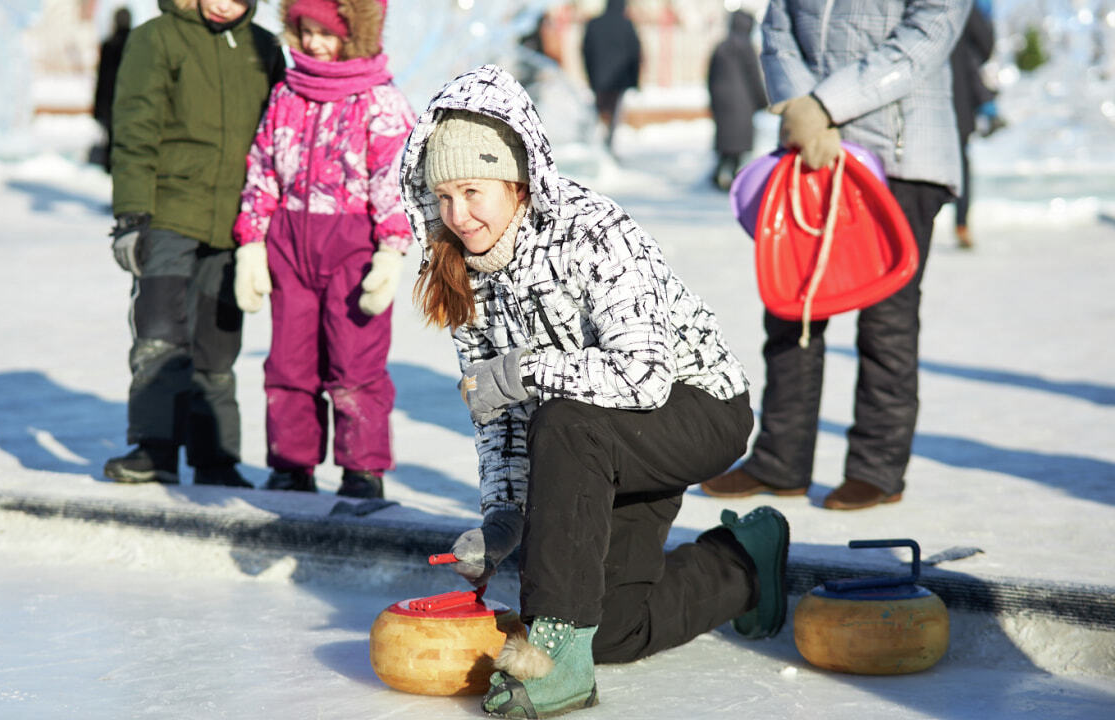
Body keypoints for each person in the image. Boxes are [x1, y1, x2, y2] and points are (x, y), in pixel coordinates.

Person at [401, 64, 789, 718]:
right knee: (612, 631)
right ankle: (745, 563)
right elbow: (497, 417)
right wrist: (502, 519)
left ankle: (552, 656)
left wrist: (526, 370)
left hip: (695, 408)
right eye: (443, 197)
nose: (458, 215)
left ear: (517, 181)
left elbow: (643, 374)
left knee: (564, 421)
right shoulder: (462, 270)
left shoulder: (592, 231)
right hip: (601, 439)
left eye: (472, 191)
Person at [702, 0, 972, 510]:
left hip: (899, 156)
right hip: (813, 149)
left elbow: (930, 32)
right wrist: (803, 108)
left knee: (886, 323)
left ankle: (877, 469)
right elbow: (778, 26)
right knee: (792, 307)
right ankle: (780, 460)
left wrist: (826, 105)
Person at [234, 0, 414, 499]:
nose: (312, 42)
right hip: (289, 242)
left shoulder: (380, 100)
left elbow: (396, 178)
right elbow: (263, 167)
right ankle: (292, 465)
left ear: (353, 35)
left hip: (353, 245)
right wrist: (251, 242)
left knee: (356, 363)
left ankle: (362, 470)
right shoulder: (288, 92)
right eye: (304, 29)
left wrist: (391, 251)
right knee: (288, 362)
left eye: (325, 32)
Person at [103, 0, 285, 488]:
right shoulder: (156, 39)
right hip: (168, 212)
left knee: (219, 344)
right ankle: (154, 449)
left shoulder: (263, 47)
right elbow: (135, 128)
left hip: (234, 224)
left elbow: (278, 138)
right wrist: (132, 213)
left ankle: (216, 458)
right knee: (160, 329)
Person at [951, 1, 996, 249]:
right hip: (959, 94)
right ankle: (961, 225)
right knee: (960, 164)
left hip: (929, 96)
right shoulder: (964, 7)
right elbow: (986, 44)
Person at [707, 9, 768, 191]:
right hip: (742, 103)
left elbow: (709, 76)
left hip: (722, 102)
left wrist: (713, 98)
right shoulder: (745, 47)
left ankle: (720, 175)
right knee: (738, 144)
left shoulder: (721, 45)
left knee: (726, 141)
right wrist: (762, 101)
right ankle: (730, 177)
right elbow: (753, 78)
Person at [580, 0, 642, 151]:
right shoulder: (626, 25)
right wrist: (634, 80)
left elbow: (586, 51)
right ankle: (607, 146)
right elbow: (635, 53)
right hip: (619, 80)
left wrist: (590, 75)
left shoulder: (594, 24)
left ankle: (599, 146)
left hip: (598, 78)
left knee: (600, 113)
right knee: (613, 115)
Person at [90, 5, 131, 173]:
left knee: (112, 141)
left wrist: (98, 107)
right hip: (129, 101)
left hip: (110, 102)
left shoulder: (109, 44)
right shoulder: (135, 43)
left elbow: (102, 78)